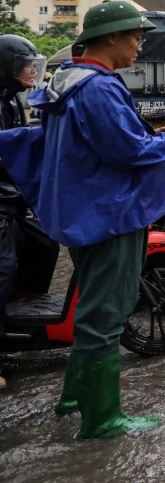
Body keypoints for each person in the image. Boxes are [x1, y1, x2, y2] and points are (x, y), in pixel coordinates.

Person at [0, 1, 165, 438]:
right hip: (112, 213)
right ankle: (103, 421)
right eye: (135, 36)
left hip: (85, 210)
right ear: (110, 36)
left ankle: (74, 397)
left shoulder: (66, 79)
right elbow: (129, 152)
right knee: (106, 316)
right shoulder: (100, 88)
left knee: (94, 306)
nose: (140, 44)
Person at [0, 35, 58, 392]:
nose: (31, 72)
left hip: (11, 194)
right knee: (2, 269)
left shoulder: (10, 99)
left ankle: (20, 314)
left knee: (45, 243)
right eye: (26, 65)